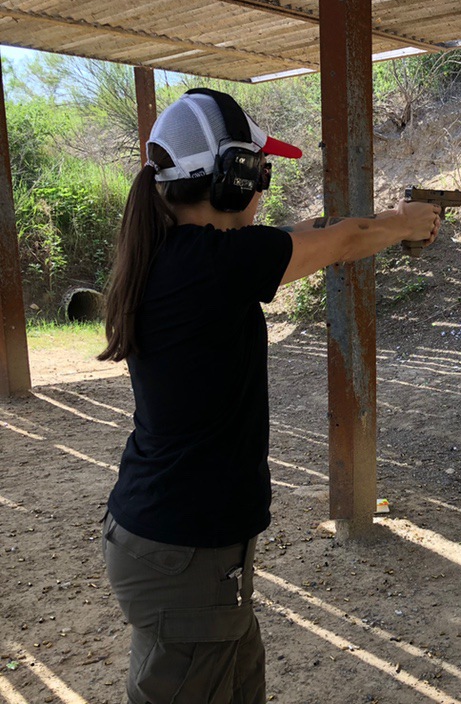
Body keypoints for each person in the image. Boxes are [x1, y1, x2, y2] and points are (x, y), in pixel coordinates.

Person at [97, 88, 440, 704]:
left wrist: (363, 227)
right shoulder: (212, 265)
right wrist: (403, 224)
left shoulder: (180, 257)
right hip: (185, 552)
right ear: (235, 177)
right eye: (262, 170)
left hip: (182, 547)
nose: (265, 188)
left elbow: (306, 236)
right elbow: (340, 242)